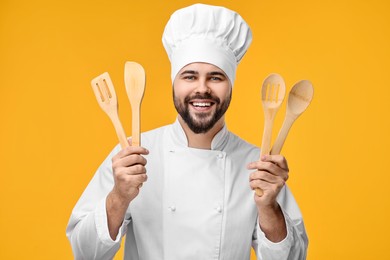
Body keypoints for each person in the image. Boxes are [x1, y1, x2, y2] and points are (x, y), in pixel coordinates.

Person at [66, 3, 308, 260]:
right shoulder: (132, 157)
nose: (202, 89)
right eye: (190, 76)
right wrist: (118, 197)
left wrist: (268, 207)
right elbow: (85, 253)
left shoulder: (259, 167)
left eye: (215, 77)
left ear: (231, 85)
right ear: (174, 83)